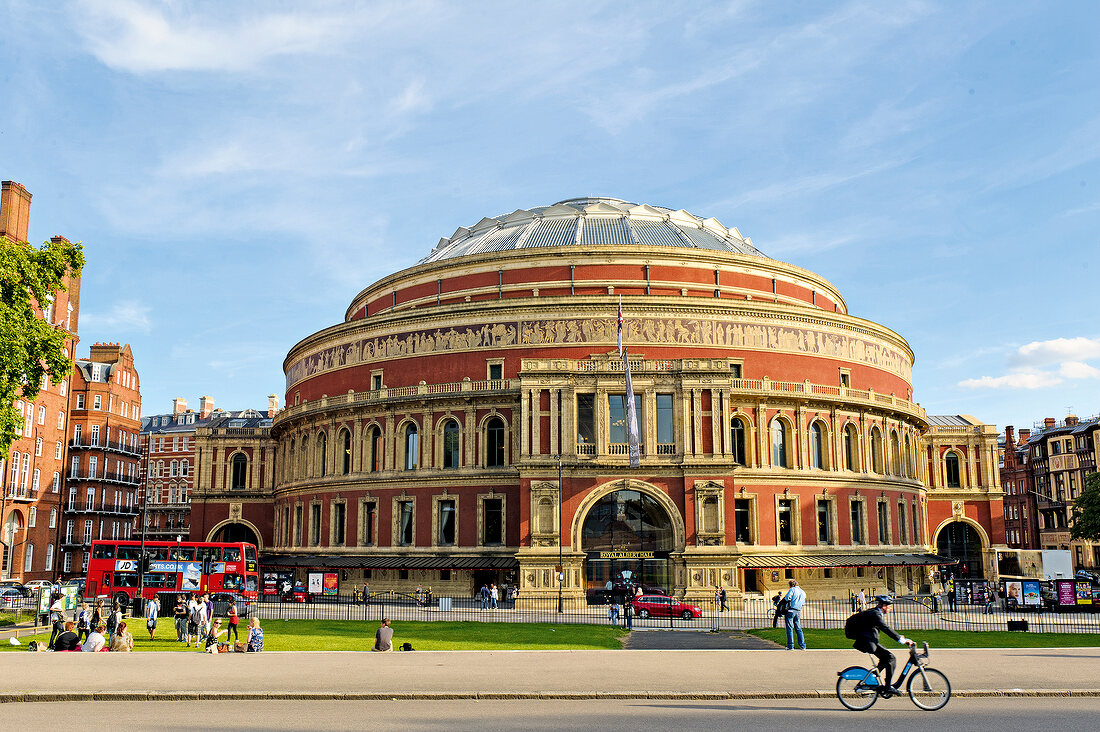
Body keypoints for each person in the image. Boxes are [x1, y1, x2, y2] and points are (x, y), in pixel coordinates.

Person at [846, 595, 914, 694]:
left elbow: (883, 628)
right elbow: (885, 628)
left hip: (867, 641)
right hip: (867, 642)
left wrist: (900, 637)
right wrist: (901, 640)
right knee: (891, 658)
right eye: (890, 606)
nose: (891, 609)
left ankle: (870, 680)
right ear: (884, 606)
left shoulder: (875, 613)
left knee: (885, 659)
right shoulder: (875, 614)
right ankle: (887, 687)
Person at [783, 579, 807, 650]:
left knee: (789, 628)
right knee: (798, 628)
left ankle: (790, 646)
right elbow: (803, 603)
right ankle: (802, 645)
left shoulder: (792, 589)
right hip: (798, 610)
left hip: (791, 610)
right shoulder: (803, 592)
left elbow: (787, 598)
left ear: (792, 585)